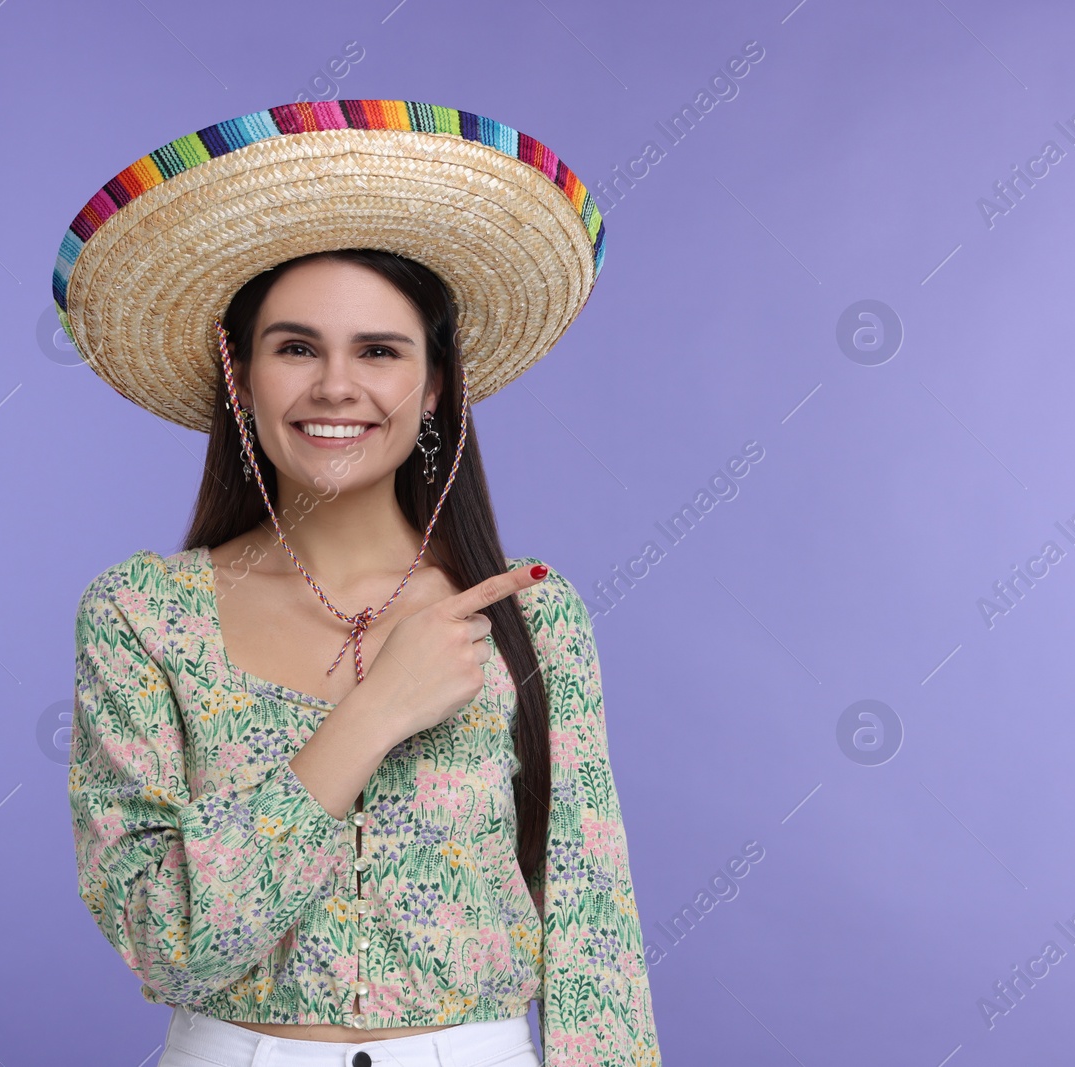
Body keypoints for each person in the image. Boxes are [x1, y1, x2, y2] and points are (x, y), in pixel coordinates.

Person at [59, 99, 660, 1066]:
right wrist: (375, 711)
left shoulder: (530, 616)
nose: (337, 386)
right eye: (296, 347)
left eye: (379, 351)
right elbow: (165, 942)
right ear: (241, 374)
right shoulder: (142, 615)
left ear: (433, 388)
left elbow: (595, 938)